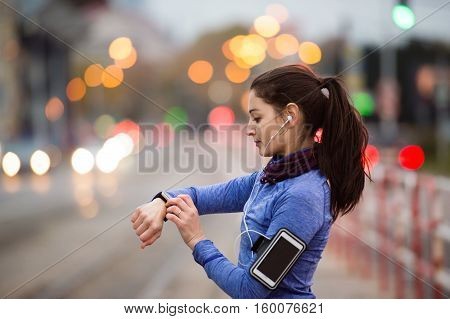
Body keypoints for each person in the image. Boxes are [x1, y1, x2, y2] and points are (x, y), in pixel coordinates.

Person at [131, 64, 371, 298]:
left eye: (257, 118)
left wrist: (197, 240)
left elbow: (250, 292)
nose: (249, 129)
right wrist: (160, 202)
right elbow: (197, 196)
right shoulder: (268, 179)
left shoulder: (303, 197)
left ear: (290, 116)